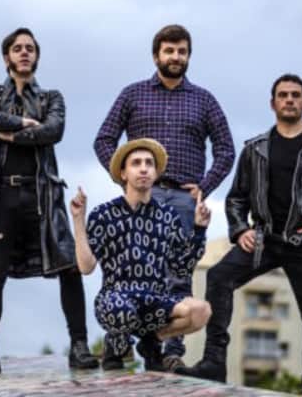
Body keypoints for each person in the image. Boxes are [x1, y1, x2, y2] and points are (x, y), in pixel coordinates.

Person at [176, 74, 302, 397]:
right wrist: (240, 229)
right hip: (264, 240)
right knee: (218, 276)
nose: (289, 100)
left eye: (295, 95)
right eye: (283, 95)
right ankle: (214, 363)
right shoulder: (255, 149)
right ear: (273, 103)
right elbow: (236, 198)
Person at [93, 24, 235, 370]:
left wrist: (205, 186)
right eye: (169, 51)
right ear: (156, 55)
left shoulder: (204, 100)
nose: (175, 57)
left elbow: (226, 149)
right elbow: (104, 140)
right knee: (125, 268)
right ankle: (119, 343)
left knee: (179, 273)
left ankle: (170, 351)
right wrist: (126, 179)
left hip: (185, 198)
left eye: (182, 51)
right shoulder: (132, 94)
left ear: (188, 56)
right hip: (142, 198)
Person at [0, 27, 98, 377]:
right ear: (6, 56)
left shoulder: (52, 98)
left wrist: (7, 133)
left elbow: (54, 131)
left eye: (30, 48)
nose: (24, 52)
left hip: (42, 195)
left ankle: (79, 346)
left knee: (68, 266)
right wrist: (23, 123)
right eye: (18, 48)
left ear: (36, 56)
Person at [71, 138, 212, 371]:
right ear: (123, 173)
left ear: (156, 173)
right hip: (116, 300)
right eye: (136, 163)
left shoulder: (168, 216)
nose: (144, 168)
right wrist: (78, 220)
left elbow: (182, 267)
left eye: (149, 163)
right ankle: (115, 346)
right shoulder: (104, 214)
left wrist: (199, 229)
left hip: (154, 302)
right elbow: (86, 267)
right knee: (122, 310)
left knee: (201, 311)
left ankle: (152, 342)